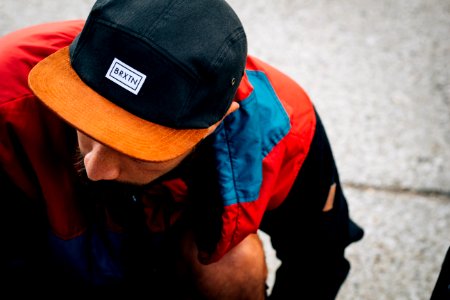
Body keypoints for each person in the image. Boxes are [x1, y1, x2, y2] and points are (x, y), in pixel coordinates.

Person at [0, 0, 364, 298]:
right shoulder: (6, 88)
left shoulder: (284, 126)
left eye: (135, 145)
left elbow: (317, 259)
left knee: (234, 267)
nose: (97, 168)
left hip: (173, 264)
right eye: (86, 119)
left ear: (216, 121)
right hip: (41, 261)